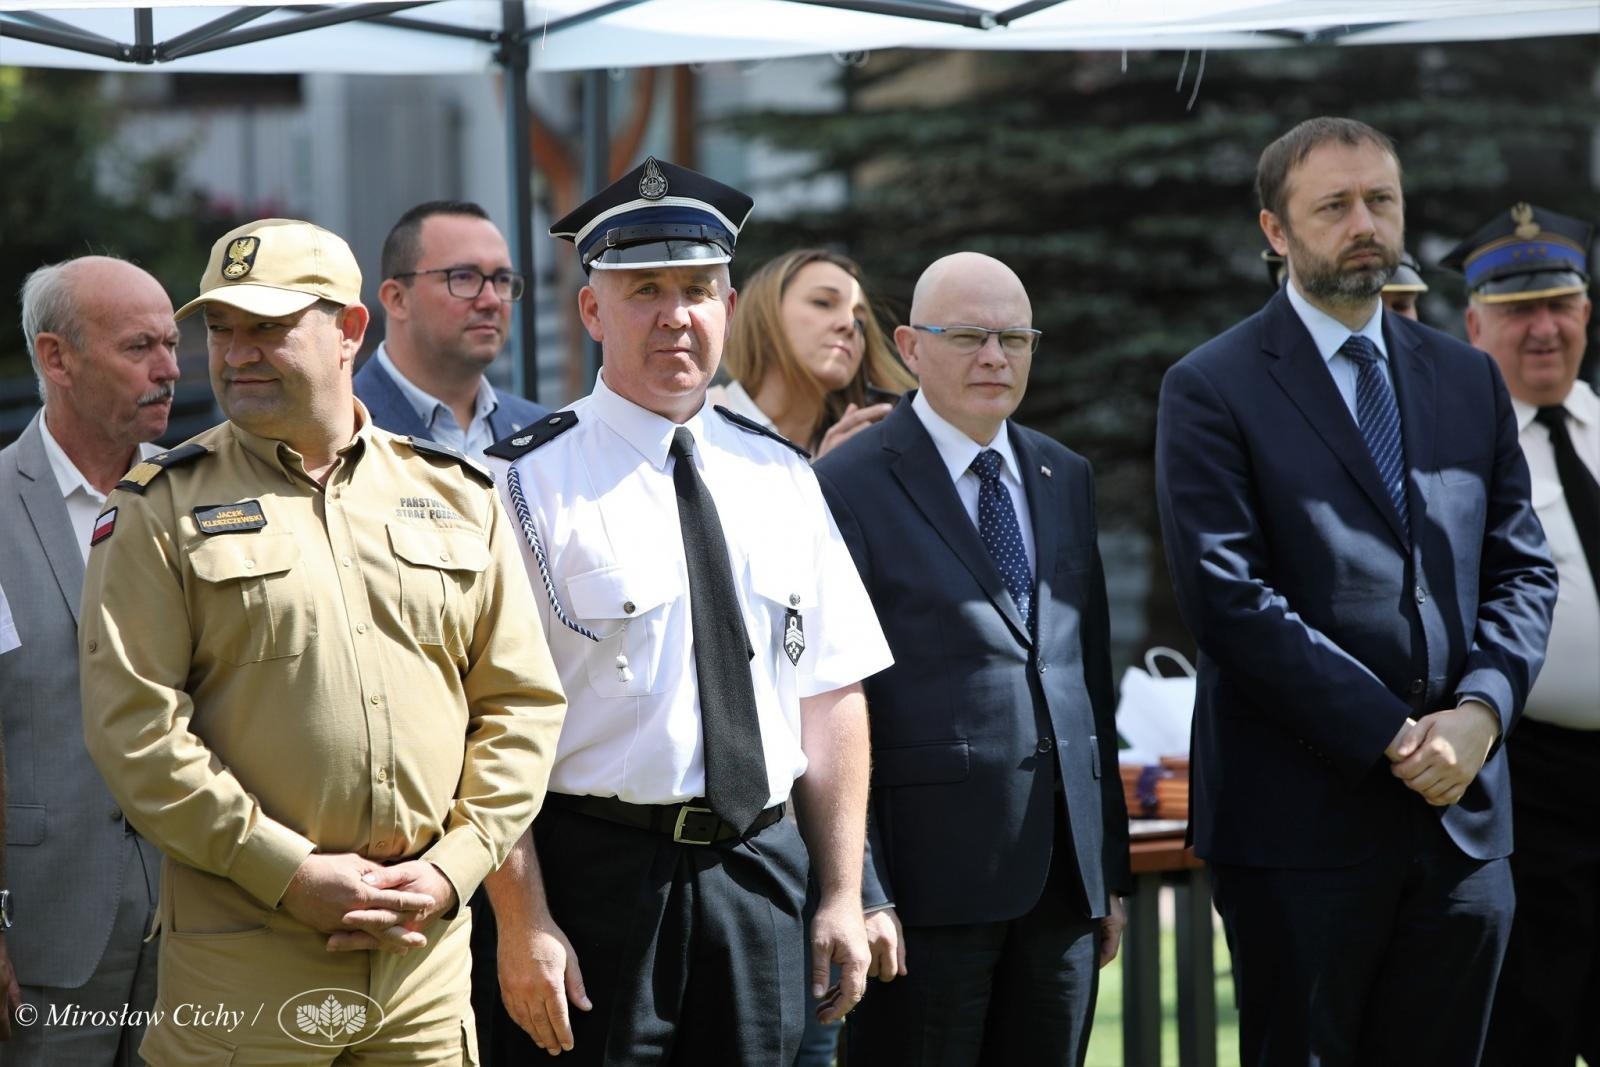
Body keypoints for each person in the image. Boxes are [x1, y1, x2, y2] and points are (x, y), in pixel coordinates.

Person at [77, 218, 567, 1064]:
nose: (235, 353)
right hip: (247, 971)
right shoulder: (159, 505)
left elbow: (519, 707)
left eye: (267, 327)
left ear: (348, 330)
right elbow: (136, 732)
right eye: (220, 328)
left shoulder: (456, 494)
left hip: (422, 976)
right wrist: (287, 872)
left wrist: (455, 865)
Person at [1155, 117, 1557, 1066]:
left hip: (1463, 820)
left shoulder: (1467, 379)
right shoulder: (1210, 387)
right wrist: (1393, 733)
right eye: (1333, 205)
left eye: (1381, 200)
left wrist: (1481, 713)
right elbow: (1228, 597)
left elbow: (1521, 569)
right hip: (1300, 829)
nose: (1364, 222)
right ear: (1276, 230)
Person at [480, 157, 893, 1066]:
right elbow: (482, 724)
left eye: (698, 289)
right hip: (595, 882)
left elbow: (830, 695)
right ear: (592, 312)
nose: (676, 314)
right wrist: (524, 917)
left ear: (730, 305)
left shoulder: (783, 473)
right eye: (644, 291)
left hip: (761, 875)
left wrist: (840, 890)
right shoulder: (516, 483)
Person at [812, 252, 1129, 1066]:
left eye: (1015, 337)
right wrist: (863, 887)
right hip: (924, 895)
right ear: (911, 346)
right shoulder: (847, 484)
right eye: (970, 336)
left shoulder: (1066, 474)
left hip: (1061, 885)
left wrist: (1109, 871)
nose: (996, 356)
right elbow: (829, 696)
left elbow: (1087, 675)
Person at [0, 256, 178, 1064]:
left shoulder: (204, 500)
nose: (171, 368)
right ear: (55, 358)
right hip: (43, 934)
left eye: (174, 343)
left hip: (198, 934)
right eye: (141, 345)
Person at [1453, 204, 1600, 1067]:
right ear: (1474, 324)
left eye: (1561, 303)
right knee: (1532, 1020)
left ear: (1587, 311)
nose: (1543, 328)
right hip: (1529, 782)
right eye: (1516, 310)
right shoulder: (1460, 456)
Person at [356, 200, 547, 461]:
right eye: (463, 277)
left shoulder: (540, 433)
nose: (491, 300)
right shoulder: (339, 430)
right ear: (397, 299)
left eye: (502, 280)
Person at [711, 247, 914, 458]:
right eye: (823, 302)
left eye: (860, 322)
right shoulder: (698, 419)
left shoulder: (866, 447)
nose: (849, 324)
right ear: (764, 315)